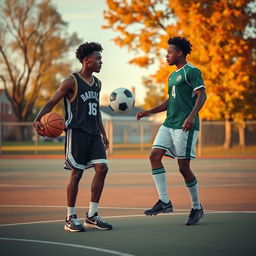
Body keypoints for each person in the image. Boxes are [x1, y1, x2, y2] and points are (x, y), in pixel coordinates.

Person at [33, 42, 112, 232]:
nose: (101, 62)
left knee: (102, 168)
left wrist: (103, 132)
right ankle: (70, 217)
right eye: (98, 58)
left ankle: (92, 215)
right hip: (76, 133)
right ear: (86, 60)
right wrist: (37, 119)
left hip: (94, 134)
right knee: (76, 173)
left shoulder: (98, 84)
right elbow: (52, 101)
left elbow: (97, 112)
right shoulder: (71, 82)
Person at [137, 36, 207, 225]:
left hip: (185, 126)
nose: (166, 55)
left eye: (169, 52)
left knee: (184, 168)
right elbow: (171, 101)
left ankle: (196, 207)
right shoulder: (171, 76)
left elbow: (202, 95)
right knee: (154, 156)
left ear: (180, 53)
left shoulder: (192, 71)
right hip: (169, 123)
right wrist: (149, 111)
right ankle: (164, 201)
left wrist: (192, 116)